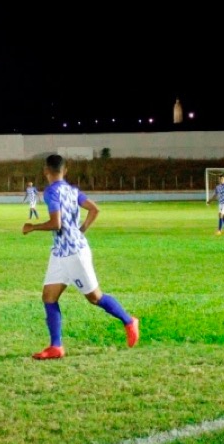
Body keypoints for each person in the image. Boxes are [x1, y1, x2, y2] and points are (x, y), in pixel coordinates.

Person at [22, 154, 139, 360]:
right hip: (60, 252)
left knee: (95, 298)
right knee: (49, 297)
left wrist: (33, 227)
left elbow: (56, 224)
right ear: (65, 171)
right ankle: (56, 346)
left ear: (45, 171)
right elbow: (94, 209)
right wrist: (81, 229)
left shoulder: (50, 192)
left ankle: (129, 321)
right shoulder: (73, 191)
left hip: (74, 254)